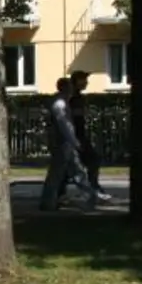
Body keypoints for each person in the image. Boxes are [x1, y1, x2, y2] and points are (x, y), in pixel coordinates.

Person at [39, 78, 96, 211]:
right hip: (63, 143)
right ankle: (89, 197)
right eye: (70, 87)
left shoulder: (61, 102)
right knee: (72, 171)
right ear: (64, 88)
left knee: (60, 173)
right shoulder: (60, 104)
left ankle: (49, 201)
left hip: (62, 142)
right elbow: (64, 125)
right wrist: (74, 141)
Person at [67, 70, 112, 203]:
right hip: (76, 136)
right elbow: (74, 118)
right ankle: (93, 187)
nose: (87, 83)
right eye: (84, 80)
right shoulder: (73, 98)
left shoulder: (76, 97)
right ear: (76, 81)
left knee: (70, 166)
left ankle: (58, 192)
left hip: (78, 135)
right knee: (92, 160)